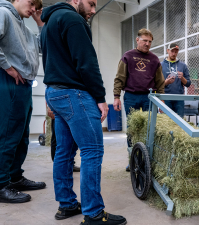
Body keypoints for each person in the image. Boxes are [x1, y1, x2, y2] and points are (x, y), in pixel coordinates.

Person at [40, 0, 127, 224]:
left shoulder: (49, 23)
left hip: (55, 93)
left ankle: (67, 205)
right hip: (74, 94)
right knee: (92, 150)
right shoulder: (73, 20)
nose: (93, 10)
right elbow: (87, 63)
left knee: (64, 151)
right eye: (90, 3)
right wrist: (100, 97)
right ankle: (94, 213)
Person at [0, 0, 46, 204]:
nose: (33, 9)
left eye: (37, 6)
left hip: (24, 84)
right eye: (31, 3)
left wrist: (39, 21)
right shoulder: (3, 12)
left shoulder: (23, 27)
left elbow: (43, 44)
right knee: (8, 133)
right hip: (8, 80)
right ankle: (1, 184)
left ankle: (15, 177)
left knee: (21, 135)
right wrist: (7, 66)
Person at [113, 28, 165, 172]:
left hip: (149, 97)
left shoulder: (154, 59)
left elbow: (160, 81)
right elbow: (120, 77)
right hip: (131, 96)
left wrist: (161, 99)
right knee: (132, 129)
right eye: (144, 40)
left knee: (149, 128)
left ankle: (147, 162)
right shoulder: (128, 56)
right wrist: (116, 96)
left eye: (150, 42)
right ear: (137, 40)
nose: (147, 44)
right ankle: (133, 160)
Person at [161, 43, 191, 118]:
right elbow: (156, 84)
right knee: (166, 122)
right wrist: (166, 82)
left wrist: (182, 78)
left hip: (179, 99)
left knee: (179, 122)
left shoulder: (183, 66)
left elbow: (188, 84)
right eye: (172, 51)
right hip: (166, 98)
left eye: (176, 52)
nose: (174, 53)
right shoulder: (161, 65)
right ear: (167, 50)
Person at [47, 105, 80, 172]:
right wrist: (50, 106)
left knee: (71, 139)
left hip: (71, 107)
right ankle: (59, 165)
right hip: (57, 107)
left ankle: (70, 164)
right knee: (57, 139)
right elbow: (48, 93)